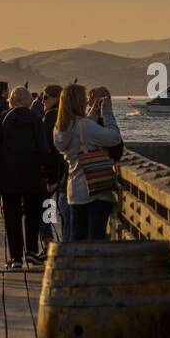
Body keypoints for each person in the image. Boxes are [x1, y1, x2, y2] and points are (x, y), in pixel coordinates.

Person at [0, 87, 59, 268]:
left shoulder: (4, 118)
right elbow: (44, 149)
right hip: (32, 176)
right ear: (28, 101)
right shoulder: (35, 119)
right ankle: (31, 251)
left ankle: (16, 258)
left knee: (12, 216)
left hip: (7, 176)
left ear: (11, 100)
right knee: (32, 214)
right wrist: (51, 174)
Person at [52, 83, 121, 240]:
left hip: (74, 192)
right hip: (95, 190)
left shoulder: (59, 129)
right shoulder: (84, 126)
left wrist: (93, 113)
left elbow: (80, 130)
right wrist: (107, 112)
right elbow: (114, 137)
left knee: (78, 239)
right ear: (78, 101)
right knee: (96, 239)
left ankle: (78, 264)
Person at [39, 84, 66, 243]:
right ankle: (66, 242)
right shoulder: (67, 115)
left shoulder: (50, 117)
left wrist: (50, 176)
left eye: (45, 97)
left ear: (57, 98)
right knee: (63, 209)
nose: (42, 100)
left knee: (46, 205)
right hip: (66, 169)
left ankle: (48, 240)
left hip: (52, 171)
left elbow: (47, 147)